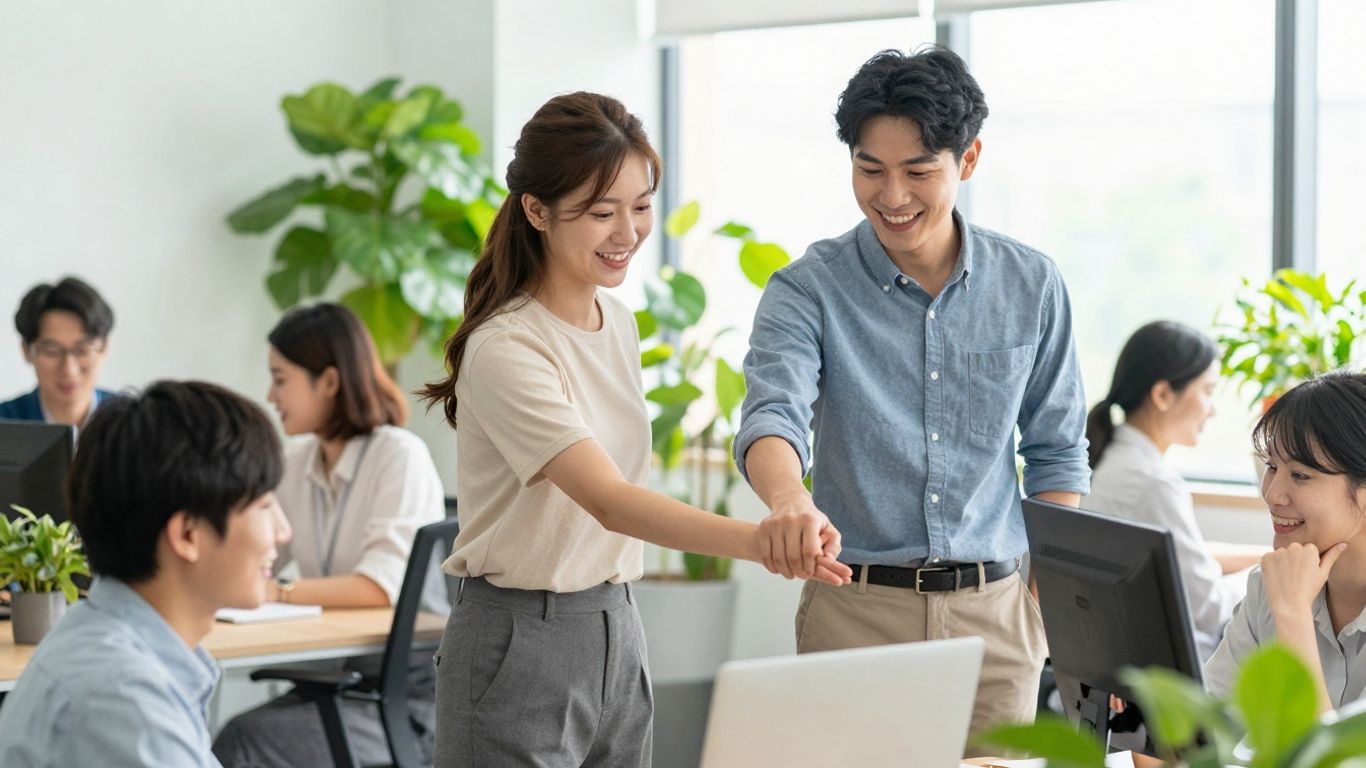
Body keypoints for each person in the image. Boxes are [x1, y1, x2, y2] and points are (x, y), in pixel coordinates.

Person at [418, 91, 851, 768]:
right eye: (601, 212)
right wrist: (762, 541)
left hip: (616, 625)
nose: (628, 233)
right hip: (517, 638)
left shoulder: (614, 322)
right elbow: (608, 499)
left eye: (641, 206)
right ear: (536, 211)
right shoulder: (507, 347)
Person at [733, 46, 1091, 749]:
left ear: (969, 158)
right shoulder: (808, 289)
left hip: (998, 618)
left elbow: (1056, 452)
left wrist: (1044, 592)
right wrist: (788, 500)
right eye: (870, 170)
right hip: (854, 615)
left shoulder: (1032, 285)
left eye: (918, 170)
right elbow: (773, 412)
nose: (892, 196)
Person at [0, 381, 292, 767]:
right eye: (265, 505)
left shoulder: (109, 648)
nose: (283, 530)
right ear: (187, 535)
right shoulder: (123, 702)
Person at [213, 302, 447, 767]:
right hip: (338, 685)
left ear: (329, 382)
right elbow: (251, 551)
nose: (270, 395)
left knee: (239, 744)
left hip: (409, 701)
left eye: (281, 379)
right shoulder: (297, 460)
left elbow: (380, 588)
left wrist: (275, 591)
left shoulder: (399, 457)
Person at [1084, 320, 1262, 661]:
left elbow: (1182, 557)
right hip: (1164, 680)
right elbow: (1209, 609)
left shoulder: (1114, 459)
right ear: (1163, 395)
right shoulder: (1152, 484)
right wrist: (1268, 576)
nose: (1213, 409)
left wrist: (1265, 557)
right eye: (1208, 390)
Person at [1204, 370, 1366, 713]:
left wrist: (1293, 616)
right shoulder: (1270, 584)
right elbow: (1201, 732)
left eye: (1301, 476)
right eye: (1271, 466)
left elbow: (1330, 763)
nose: (1272, 494)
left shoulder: (1284, 595)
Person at [0, 276, 117, 434]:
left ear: (104, 348)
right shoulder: (5, 423)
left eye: (82, 350)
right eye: (51, 352)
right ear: (27, 351)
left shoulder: (131, 423)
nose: (69, 369)